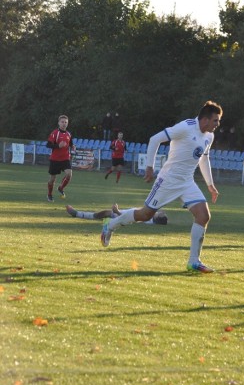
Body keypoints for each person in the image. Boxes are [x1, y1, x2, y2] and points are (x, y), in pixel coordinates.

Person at [100, 100, 222, 273]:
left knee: (203, 216)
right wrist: (149, 166)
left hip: (187, 182)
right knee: (145, 214)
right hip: (168, 180)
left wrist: (210, 184)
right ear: (205, 120)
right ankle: (110, 225)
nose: (218, 124)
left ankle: (194, 261)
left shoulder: (209, 136)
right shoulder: (186, 127)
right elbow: (155, 139)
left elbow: (203, 158)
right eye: (216, 120)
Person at [46, 115, 75, 202]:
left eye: (65, 122)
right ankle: (49, 194)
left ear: (67, 124)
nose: (64, 124)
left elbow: (70, 143)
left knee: (69, 174)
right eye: (62, 122)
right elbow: (48, 145)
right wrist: (58, 146)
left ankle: (61, 188)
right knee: (52, 179)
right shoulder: (55, 133)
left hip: (65, 158)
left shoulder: (69, 134)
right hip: (55, 159)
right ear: (59, 123)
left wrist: (72, 146)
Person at [67, 204, 168, 225]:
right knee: (101, 214)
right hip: (120, 214)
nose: (159, 212)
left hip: (119, 216)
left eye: (159, 214)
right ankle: (77, 214)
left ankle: (77, 214)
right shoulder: (148, 216)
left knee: (103, 213)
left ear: (157, 218)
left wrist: (117, 211)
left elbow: (128, 219)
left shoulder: (147, 219)